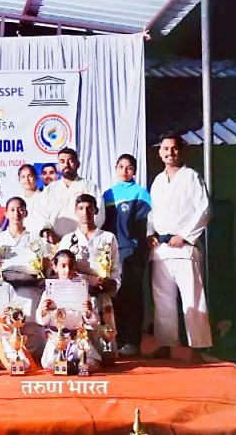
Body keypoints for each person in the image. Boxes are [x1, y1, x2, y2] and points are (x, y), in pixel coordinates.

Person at [147, 133, 212, 360]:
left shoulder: (191, 177)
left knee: (192, 298)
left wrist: (184, 236)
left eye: (173, 148)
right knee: (163, 300)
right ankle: (166, 344)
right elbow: (152, 213)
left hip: (184, 248)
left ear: (180, 151)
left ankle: (198, 347)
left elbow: (204, 209)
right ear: (160, 152)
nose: (169, 153)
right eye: (165, 149)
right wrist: (149, 234)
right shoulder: (157, 181)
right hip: (161, 249)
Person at [102, 153, 153, 357]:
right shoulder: (108, 195)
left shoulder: (141, 194)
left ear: (135, 171)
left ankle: (132, 341)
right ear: (116, 169)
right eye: (121, 166)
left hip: (132, 253)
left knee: (132, 296)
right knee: (114, 297)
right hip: (110, 255)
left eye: (129, 167)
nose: (125, 171)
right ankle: (116, 339)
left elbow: (146, 224)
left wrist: (137, 247)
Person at [58, 194, 120, 357]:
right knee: (79, 350)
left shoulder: (107, 238)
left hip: (101, 296)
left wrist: (111, 284)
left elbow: (115, 270)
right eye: (81, 208)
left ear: (96, 210)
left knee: (108, 355)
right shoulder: (68, 240)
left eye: (89, 208)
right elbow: (62, 270)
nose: (85, 212)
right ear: (75, 211)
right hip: (76, 298)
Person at [0, 197, 47, 358]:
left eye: (20, 209)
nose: (16, 213)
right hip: (7, 293)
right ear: (6, 213)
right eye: (12, 210)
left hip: (30, 293)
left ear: (26, 213)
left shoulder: (35, 239)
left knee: (34, 344)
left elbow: (42, 269)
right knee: (8, 337)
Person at [36, 250, 100, 372]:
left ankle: (75, 364)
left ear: (75, 267)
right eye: (63, 266)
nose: (67, 270)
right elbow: (42, 321)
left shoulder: (82, 291)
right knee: (52, 364)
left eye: (70, 266)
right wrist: (44, 311)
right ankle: (69, 364)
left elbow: (92, 322)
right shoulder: (48, 292)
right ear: (55, 267)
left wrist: (88, 311)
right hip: (56, 339)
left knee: (90, 364)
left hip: (77, 339)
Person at [43, 148, 106, 239]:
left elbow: (99, 213)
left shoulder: (89, 186)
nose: (66, 164)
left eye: (70, 161)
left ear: (78, 164)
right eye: (62, 161)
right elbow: (42, 214)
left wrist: (88, 233)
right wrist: (47, 231)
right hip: (54, 241)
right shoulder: (50, 189)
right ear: (58, 166)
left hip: (84, 239)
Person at [17, 165, 49, 234]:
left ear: (36, 178)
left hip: (41, 237)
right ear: (19, 179)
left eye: (30, 176)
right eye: (23, 177)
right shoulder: (18, 201)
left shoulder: (45, 197)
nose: (27, 179)